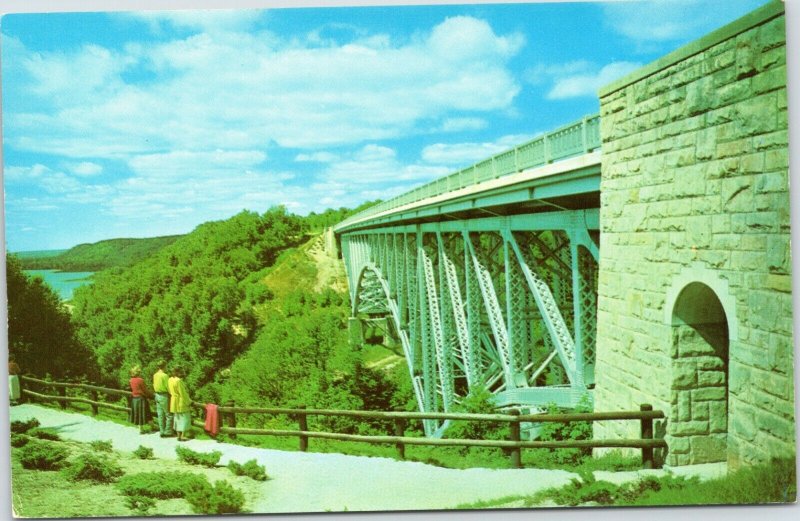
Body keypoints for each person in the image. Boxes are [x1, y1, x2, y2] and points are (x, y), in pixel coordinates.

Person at [152, 360, 174, 437]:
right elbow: (168, 387)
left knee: (160, 414)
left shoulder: (155, 375)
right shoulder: (165, 376)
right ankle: (168, 432)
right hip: (164, 395)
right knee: (169, 414)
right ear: (164, 366)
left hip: (157, 394)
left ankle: (162, 431)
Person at [129, 365, 153, 434]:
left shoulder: (131, 380)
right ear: (138, 373)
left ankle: (141, 429)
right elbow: (145, 390)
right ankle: (152, 426)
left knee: (138, 413)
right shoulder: (140, 380)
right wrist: (152, 396)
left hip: (135, 399)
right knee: (147, 412)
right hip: (141, 398)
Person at [171, 366, 192, 441]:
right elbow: (183, 393)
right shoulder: (178, 381)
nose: (182, 373)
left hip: (173, 401)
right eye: (181, 372)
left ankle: (178, 435)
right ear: (178, 372)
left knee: (177, 418)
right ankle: (183, 435)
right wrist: (189, 401)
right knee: (184, 418)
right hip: (180, 401)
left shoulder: (170, 379)